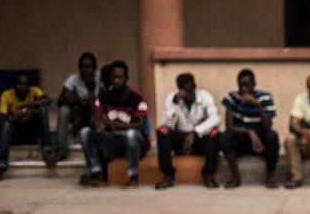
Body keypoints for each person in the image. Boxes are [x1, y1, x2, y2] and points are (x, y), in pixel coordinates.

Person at [77, 60, 148, 189]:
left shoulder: (137, 97)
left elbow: (140, 125)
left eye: (119, 78)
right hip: (111, 141)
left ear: (126, 78)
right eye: (113, 78)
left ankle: (133, 177)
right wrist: (96, 123)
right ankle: (97, 174)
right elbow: (95, 117)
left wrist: (111, 123)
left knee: (131, 135)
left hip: (133, 144)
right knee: (85, 132)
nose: (115, 81)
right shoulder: (104, 96)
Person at [154, 72, 221, 189]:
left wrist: (195, 132)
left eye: (190, 89)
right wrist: (174, 104)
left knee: (214, 132)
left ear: (195, 87)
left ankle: (209, 174)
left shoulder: (205, 96)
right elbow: (168, 124)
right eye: (185, 90)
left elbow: (215, 118)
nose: (188, 93)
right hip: (180, 141)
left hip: (199, 140)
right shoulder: (173, 98)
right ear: (180, 90)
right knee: (162, 131)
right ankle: (168, 176)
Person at [219, 69, 279, 189]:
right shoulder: (232, 98)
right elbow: (229, 126)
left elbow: (268, 126)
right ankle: (235, 176)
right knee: (225, 137)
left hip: (260, 143)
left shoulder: (265, 97)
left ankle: (270, 175)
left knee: (272, 136)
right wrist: (249, 132)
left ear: (253, 84)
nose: (243, 89)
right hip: (241, 140)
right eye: (241, 85)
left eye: (246, 85)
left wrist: (257, 105)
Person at [0, 72, 54, 180]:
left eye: (26, 84)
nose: (23, 87)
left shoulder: (34, 91)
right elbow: (0, 120)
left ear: (30, 85)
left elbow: (48, 100)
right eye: (20, 84)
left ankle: (47, 151)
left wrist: (29, 107)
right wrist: (13, 118)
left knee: (42, 109)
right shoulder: (7, 94)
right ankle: (0, 168)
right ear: (15, 84)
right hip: (16, 134)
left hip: (31, 132)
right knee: (6, 125)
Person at [56, 52, 103, 160]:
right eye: (82, 67)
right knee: (64, 110)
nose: (85, 70)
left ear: (95, 67)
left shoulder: (100, 78)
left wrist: (91, 92)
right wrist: (80, 100)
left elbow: (101, 101)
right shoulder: (74, 78)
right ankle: (61, 149)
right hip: (80, 112)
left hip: (96, 114)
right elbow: (61, 99)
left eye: (88, 67)